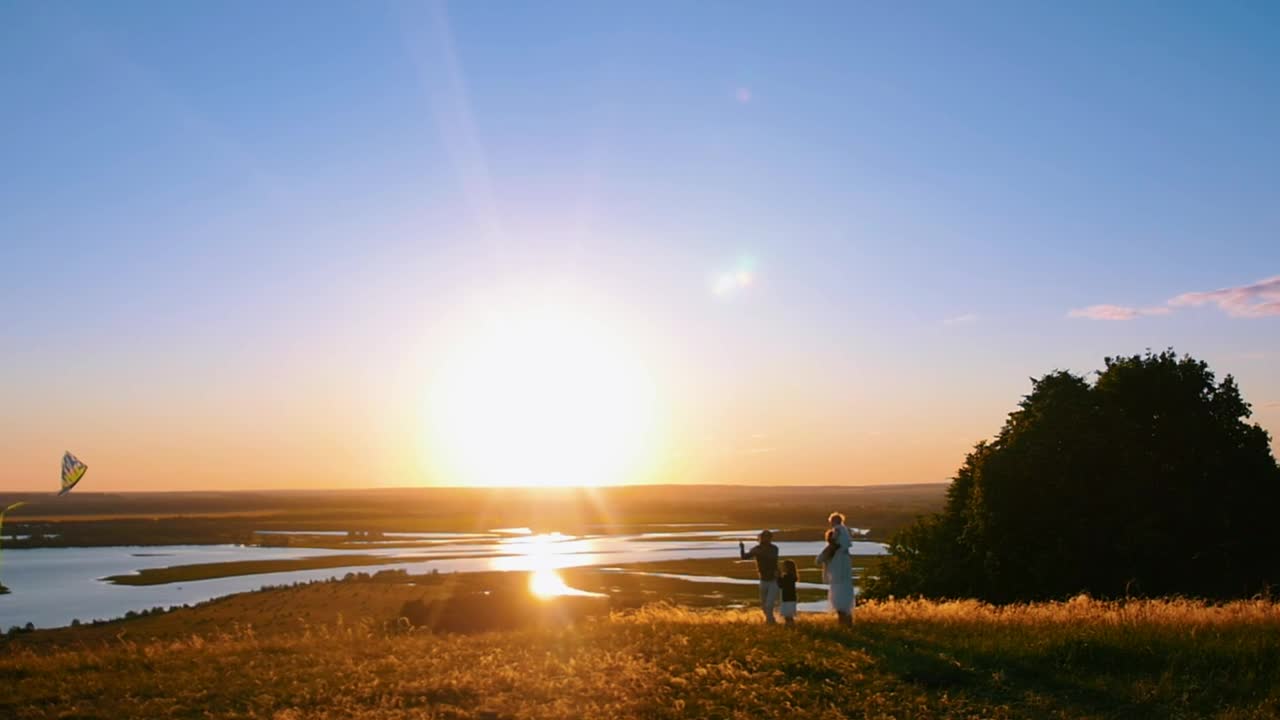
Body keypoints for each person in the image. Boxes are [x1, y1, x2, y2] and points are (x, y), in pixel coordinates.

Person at [815, 512, 854, 626]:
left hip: (838, 572)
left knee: (839, 596)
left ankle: (843, 623)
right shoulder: (844, 534)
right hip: (843, 573)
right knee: (844, 594)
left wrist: (822, 557)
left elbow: (824, 555)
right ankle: (846, 622)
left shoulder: (837, 533)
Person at [739, 530, 780, 624]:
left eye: (767, 537)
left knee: (769, 604)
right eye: (763, 537)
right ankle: (771, 620)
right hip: (763, 579)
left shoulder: (773, 548)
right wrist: (742, 548)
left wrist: (757, 552)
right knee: (764, 605)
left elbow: (771, 557)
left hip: (773, 580)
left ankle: (770, 622)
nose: (765, 539)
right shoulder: (758, 549)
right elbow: (744, 557)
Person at [777, 559, 799, 626]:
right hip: (791, 598)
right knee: (789, 616)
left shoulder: (787, 576)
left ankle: (790, 627)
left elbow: (781, 585)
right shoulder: (792, 576)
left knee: (788, 616)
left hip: (787, 598)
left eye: (783, 566)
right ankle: (790, 626)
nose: (782, 567)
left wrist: (778, 577)